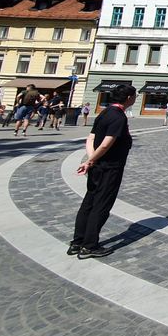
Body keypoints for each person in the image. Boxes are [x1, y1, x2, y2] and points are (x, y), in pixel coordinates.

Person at [68, 84, 137, 259]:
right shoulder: (118, 117)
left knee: (89, 202)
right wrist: (92, 160)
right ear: (128, 98)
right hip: (110, 167)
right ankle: (90, 245)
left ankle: (77, 241)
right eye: (134, 96)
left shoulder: (104, 112)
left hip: (97, 166)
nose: (135, 99)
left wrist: (91, 160)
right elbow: (107, 143)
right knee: (101, 205)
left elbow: (91, 138)